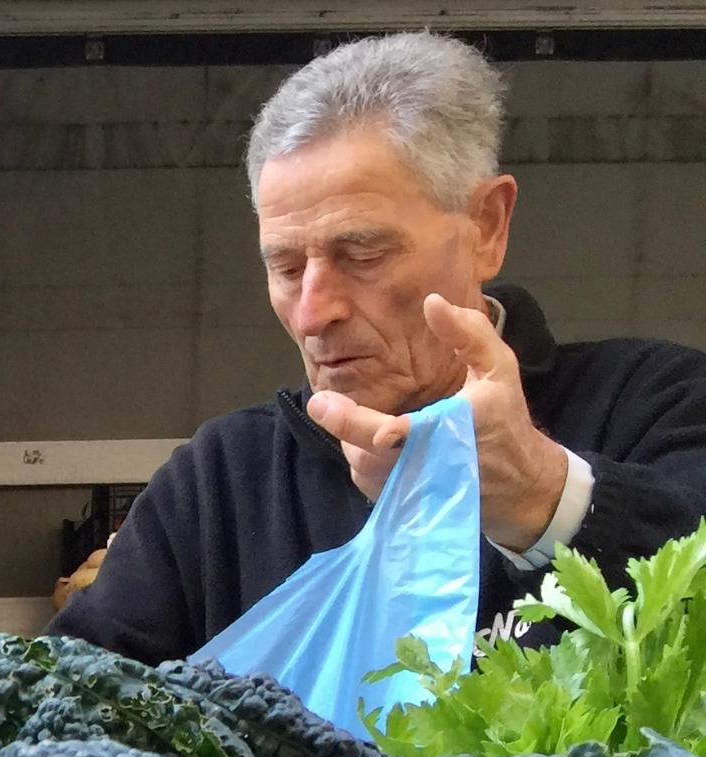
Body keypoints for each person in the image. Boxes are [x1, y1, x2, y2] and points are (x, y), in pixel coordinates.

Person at [50, 31, 706, 665]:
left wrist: (542, 497)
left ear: (487, 226)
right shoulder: (218, 487)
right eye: (284, 266)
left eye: (361, 252)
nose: (313, 312)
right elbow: (64, 706)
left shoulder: (658, 404)